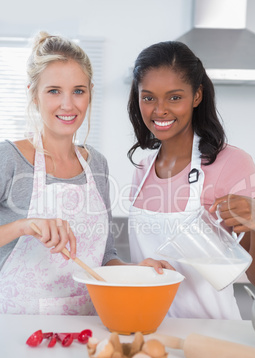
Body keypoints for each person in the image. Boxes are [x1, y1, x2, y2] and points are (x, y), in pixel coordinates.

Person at [0, 32, 172, 315]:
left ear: (90, 92)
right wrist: (24, 226)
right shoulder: (9, 159)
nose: (68, 105)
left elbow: (104, 257)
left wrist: (135, 272)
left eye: (78, 91)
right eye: (54, 90)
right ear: (33, 93)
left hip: (88, 327)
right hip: (19, 330)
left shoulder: (97, 165)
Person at [127, 41, 255, 319]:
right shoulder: (142, 170)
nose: (160, 110)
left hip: (213, 335)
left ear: (196, 96)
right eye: (149, 97)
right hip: (149, 329)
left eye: (174, 97)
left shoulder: (232, 164)